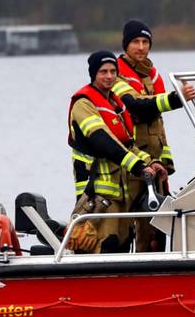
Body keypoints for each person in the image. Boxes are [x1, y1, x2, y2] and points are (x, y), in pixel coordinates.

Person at [67, 50, 184, 253]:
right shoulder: (84, 103)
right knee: (102, 247)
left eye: (113, 71)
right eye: (103, 71)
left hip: (120, 195)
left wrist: (150, 162)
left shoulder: (115, 104)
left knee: (123, 245)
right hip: (95, 197)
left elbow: (128, 144)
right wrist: (138, 167)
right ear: (93, 74)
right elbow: (103, 141)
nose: (109, 76)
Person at [113, 19, 195, 251]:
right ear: (125, 45)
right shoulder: (117, 75)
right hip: (130, 166)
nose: (141, 47)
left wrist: (166, 163)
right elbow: (137, 106)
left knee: (156, 231)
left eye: (145, 42)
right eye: (135, 42)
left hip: (156, 167)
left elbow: (158, 125)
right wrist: (176, 98)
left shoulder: (151, 76)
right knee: (124, 229)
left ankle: (154, 274)